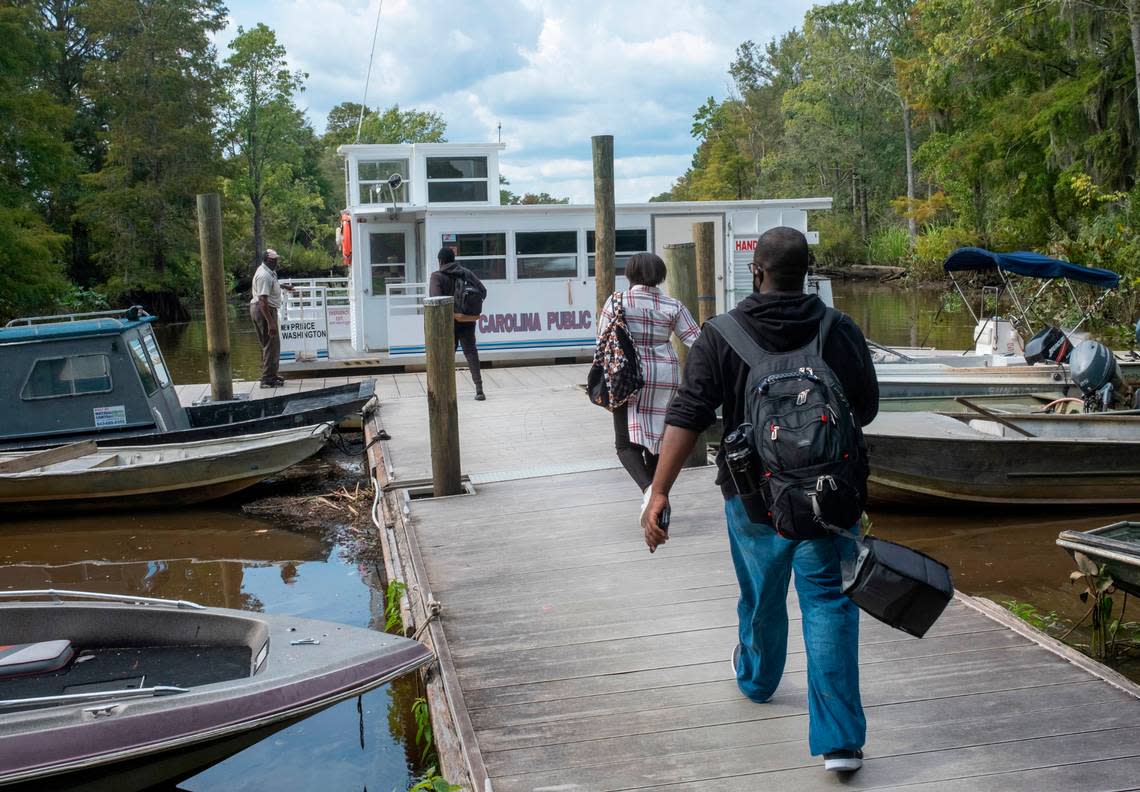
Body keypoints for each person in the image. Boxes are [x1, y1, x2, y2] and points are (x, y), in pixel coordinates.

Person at [640, 227, 879, 773]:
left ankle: (758, 679)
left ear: (757, 272)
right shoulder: (838, 329)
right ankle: (840, 743)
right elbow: (863, 409)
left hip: (753, 499)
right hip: (828, 498)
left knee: (762, 594)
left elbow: (688, 414)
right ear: (809, 270)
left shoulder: (721, 334)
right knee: (828, 603)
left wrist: (659, 491)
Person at [597, 252, 700, 492]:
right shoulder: (674, 306)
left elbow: (602, 342)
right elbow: (698, 342)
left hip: (627, 377)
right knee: (658, 441)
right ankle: (659, 495)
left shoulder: (617, 301)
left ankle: (649, 491)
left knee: (625, 445)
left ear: (630, 273)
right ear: (660, 276)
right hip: (666, 377)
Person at [429, 247, 487, 400]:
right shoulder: (466, 273)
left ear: (440, 261)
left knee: (447, 356)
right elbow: (483, 291)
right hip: (467, 320)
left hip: (447, 323)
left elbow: (435, 299)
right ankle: (479, 389)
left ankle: (445, 392)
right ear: (453, 259)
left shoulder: (437, 276)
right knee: (471, 353)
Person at [249, 248, 294, 388]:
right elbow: (263, 301)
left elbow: (271, 285)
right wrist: (271, 323)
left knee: (272, 345)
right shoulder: (264, 275)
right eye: (275, 260)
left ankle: (272, 375)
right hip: (264, 310)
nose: (277, 262)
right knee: (270, 344)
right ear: (268, 260)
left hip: (266, 309)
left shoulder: (269, 272)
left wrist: (283, 286)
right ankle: (267, 379)